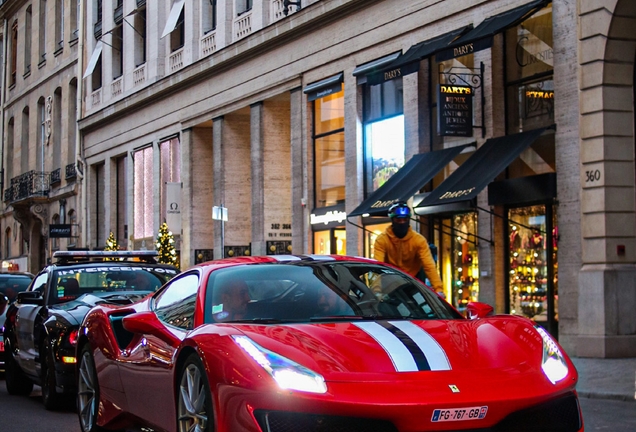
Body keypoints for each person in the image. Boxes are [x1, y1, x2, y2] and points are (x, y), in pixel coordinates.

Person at [373, 201, 443, 292]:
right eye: (398, 220)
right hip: (390, 281)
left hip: (413, 280)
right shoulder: (382, 240)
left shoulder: (418, 240)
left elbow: (429, 266)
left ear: (409, 220)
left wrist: (438, 289)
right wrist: (376, 291)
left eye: (405, 220)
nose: (402, 222)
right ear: (392, 220)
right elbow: (378, 267)